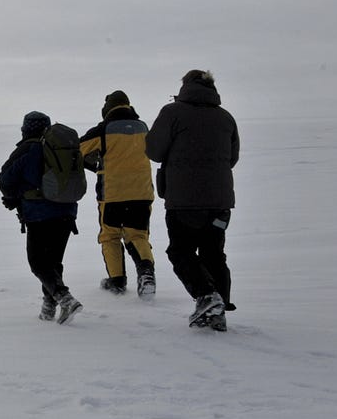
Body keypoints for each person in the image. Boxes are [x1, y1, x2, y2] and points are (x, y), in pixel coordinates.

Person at [146, 70, 240, 330]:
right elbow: (232, 158)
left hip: (183, 200)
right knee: (213, 254)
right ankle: (217, 309)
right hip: (220, 202)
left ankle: (208, 297)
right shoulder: (226, 117)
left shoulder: (172, 113)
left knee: (180, 251)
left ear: (185, 87)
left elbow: (153, 150)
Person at [0, 111, 83, 323]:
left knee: (38, 262)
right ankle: (48, 307)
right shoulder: (61, 148)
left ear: (26, 129)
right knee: (53, 262)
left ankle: (65, 299)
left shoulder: (28, 149)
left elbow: (5, 180)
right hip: (66, 212)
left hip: (39, 214)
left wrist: (14, 196)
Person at [79, 90, 157, 298]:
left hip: (112, 193)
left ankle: (117, 281)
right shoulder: (143, 127)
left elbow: (78, 150)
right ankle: (146, 273)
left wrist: (93, 163)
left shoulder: (103, 129)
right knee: (138, 234)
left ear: (107, 109)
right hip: (142, 192)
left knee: (110, 235)